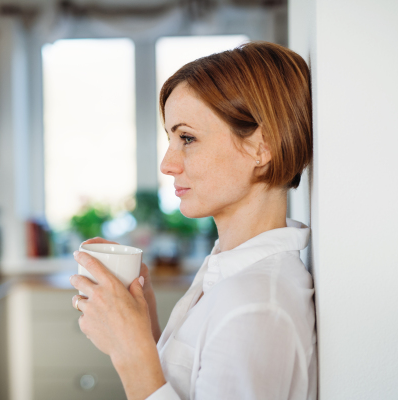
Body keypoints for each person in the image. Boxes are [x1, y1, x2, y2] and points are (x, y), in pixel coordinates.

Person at [69, 41, 315, 400]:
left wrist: (129, 351)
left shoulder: (256, 306)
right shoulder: (229, 271)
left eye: (187, 137)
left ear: (262, 147)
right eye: (170, 138)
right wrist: (146, 327)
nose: (167, 164)